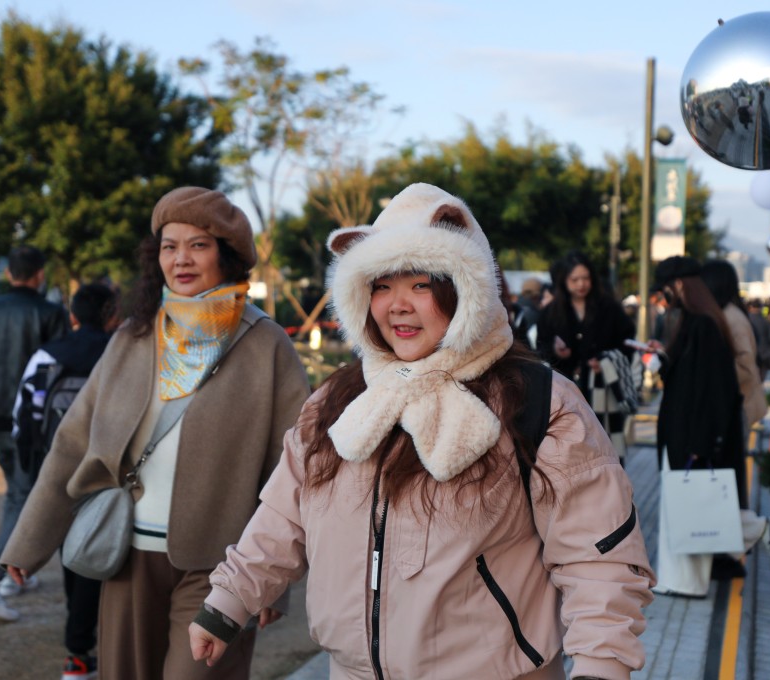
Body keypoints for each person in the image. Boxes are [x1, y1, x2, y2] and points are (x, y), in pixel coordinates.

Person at [188, 183, 655, 679]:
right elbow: (283, 516)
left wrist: (601, 665)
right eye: (382, 286)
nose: (397, 306)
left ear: (467, 288)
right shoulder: (340, 400)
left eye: (422, 284)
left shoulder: (538, 400)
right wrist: (229, 600)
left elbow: (596, 558)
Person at [0, 187, 310, 679]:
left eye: (198, 245)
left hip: (222, 565)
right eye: (169, 246)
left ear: (226, 256)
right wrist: (30, 540)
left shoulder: (265, 343)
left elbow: (292, 466)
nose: (181, 259)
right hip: (126, 553)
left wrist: (273, 581)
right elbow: (73, 442)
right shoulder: (133, 337)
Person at [647, 256, 770, 597]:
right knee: (686, 505)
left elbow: (712, 391)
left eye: (666, 289)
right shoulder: (699, 322)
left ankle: (758, 531)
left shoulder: (704, 325)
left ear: (679, 286)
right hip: (687, 430)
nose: (664, 296)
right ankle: (682, 579)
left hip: (691, 433)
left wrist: (702, 443)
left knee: (690, 504)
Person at [0, 246, 70, 622]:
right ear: (39, 274)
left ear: (8, 274)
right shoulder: (50, 314)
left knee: (16, 495)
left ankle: (12, 577)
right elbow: (61, 374)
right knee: (23, 499)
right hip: (33, 425)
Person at [10, 283, 118, 678]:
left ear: (72, 316)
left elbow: (24, 415)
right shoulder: (120, 353)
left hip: (57, 470)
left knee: (73, 558)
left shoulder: (47, 356)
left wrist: (32, 467)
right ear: (112, 317)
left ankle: (77, 651)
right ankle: (92, 644)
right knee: (102, 558)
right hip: (110, 474)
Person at [537, 251, 636, 460]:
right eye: (575, 279)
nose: (581, 284)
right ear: (564, 281)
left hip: (602, 389)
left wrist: (607, 360)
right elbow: (540, 348)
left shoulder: (608, 308)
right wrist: (556, 351)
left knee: (605, 448)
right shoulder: (551, 312)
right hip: (566, 390)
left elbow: (627, 341)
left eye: (586, 278)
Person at [701, 260, 768, 431]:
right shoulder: (728, 314)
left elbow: (744, 365)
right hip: (735, 404)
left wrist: (712, 378)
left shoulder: (731, 318)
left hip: (736, 407)